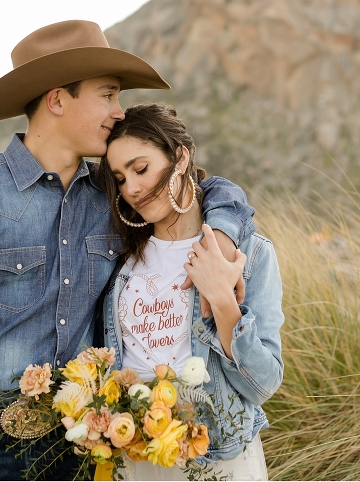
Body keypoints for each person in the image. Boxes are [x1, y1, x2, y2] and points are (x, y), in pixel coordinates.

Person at [0, 20, 256, 481]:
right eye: (107, 95)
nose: (119, 111)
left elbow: (201, 185)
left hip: (83, 446)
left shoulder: (113, 196)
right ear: (57, 100)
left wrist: (225, 239)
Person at [97, 102, 284, 480]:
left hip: (214, 454)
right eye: (119, 178)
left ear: (180, 158)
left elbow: (263, 384)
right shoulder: (119, 259)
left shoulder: (250, 254)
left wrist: (222, 299)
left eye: (141, 168)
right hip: (134, 456)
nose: (131, 188)